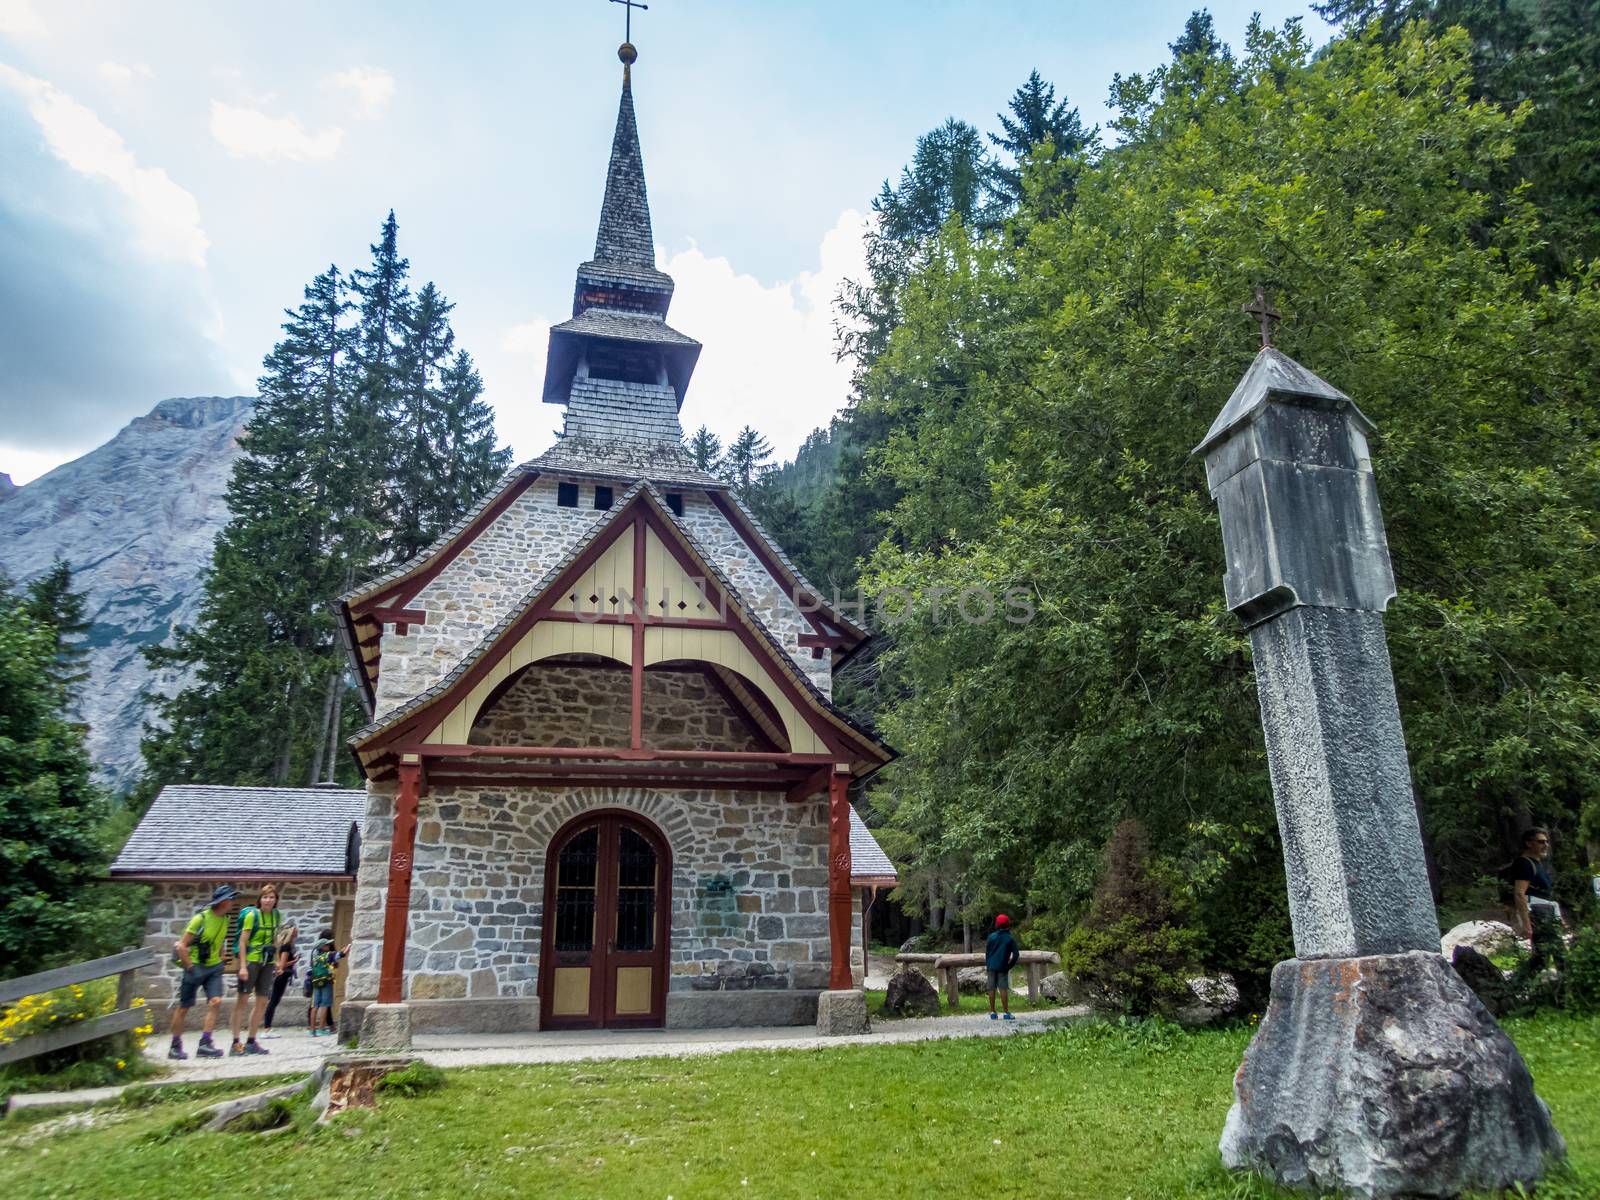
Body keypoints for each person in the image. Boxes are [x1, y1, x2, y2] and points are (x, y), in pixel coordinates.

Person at [168, 884, 237, 1060]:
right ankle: (175, 1046)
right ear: (223, 902)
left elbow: (220, 940)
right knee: (184, 1007)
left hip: (213, 968)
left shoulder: (225, 920)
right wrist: (191, 968)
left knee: (215, 1002)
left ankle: (205, 1044)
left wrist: (221, 958)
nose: (233, 902)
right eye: (231, 898)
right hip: (195, 966)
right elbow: (182, 946)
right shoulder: (200, 919)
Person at [228, 884, 288, 1056]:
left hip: (267, 962)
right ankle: (235, 1042)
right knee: (243, 1001)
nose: (268, 900)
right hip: (251, 961)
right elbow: (242, 942)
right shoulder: (251, 916)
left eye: (271, 897)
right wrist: (243, 966)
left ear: (276, 900)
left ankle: (251, 1041)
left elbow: (275, 939)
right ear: (259, 899)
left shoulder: (276, 915)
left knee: (262, 1001)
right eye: (265, 897)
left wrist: (276, 960)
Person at [1505, 827, 1566, 990]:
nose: (1545, 845)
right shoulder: (1524, 864)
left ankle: (1517, 987)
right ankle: (1516, 987)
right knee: (1555, 952)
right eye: (1540, 842)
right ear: (1528, 843)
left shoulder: (1537, 863)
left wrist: (1558, 918)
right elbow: (1519, 893)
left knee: (1542, 956)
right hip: (1538, 911)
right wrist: (1527, 923)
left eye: (1546, 842)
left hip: (1546, 910)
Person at [308, 929, 352, 1037]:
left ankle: (312, 1029)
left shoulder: (315, 956)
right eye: (327, 945)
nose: (329, 946)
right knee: (324, 1005)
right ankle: (321, 1029)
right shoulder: (328, 955)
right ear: (323, 947)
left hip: (315, 981)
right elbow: (341, 954)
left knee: (314, 1005)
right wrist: (348, 947)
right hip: (326, 981)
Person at [261, 923, 299, 1035]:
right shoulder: (286, 947)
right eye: (295, 932)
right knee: (273, 1001)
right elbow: (282, 965)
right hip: (282, 975)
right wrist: (295, 961)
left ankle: (267, 1028)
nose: (296, 934)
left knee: (273, 1001)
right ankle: (266, 1029)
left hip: (281, 976)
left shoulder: (282, 946)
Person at [985, 913, 1021, 1020]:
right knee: (1003, 988)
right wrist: (1010, 965)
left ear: (997, 924)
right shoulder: (1009, 938)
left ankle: (993, 1012)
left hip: (991, 966)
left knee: (991, 988)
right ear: (1007, 924)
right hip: (1002, 966)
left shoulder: (991, 937)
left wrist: (988, 964)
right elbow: (1016, 955)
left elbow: (987, 952)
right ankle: (1006, 1012)